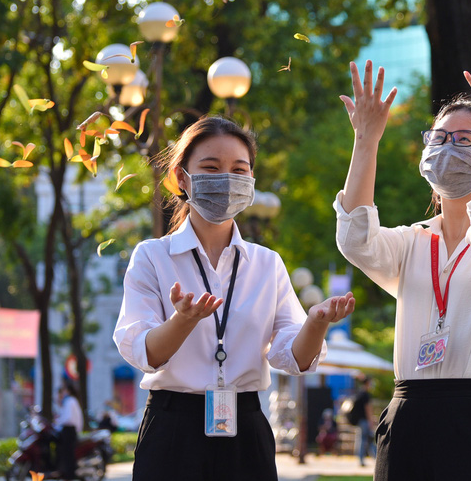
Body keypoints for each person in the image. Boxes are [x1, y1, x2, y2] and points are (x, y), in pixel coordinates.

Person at [334, 53, 471, 481]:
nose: (449, 148)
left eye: (468, 139)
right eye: (440, 138)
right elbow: (355, 239)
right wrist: (366, 140)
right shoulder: (412, 242)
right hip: (408, 416)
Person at [113, 116, 354, 481]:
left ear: (251, 182)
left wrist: (316, 324)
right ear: (181, 178)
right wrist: (183, 320)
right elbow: (146, 353)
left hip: (246, 429)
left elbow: (292, 356)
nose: (226, 179)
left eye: (239, 170)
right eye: (211, 167)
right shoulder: (152, 256)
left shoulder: (266, 263)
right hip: (173, 428)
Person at [53, 381, 83, 480]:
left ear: (68, 391)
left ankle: (69, 475)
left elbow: (68, 418)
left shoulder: (70, 401)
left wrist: (59, 422)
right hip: (69, 430)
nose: (63, 393)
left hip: (68, 431)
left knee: (68, 454)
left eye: (64, 390)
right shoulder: (70, 401)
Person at [352, 376, 375, 465]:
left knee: (361, 440)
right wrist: (371, 421)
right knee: (368, 439)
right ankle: (374, 458)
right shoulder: (366, 394)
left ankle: (361, 459)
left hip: (359, 421)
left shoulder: (359, 393)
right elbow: (368, 409)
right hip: (364, 421)